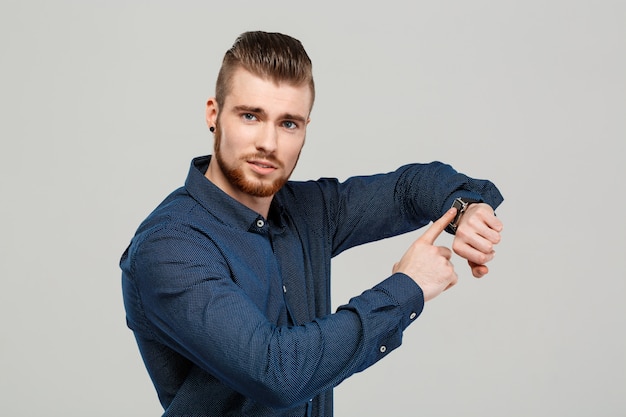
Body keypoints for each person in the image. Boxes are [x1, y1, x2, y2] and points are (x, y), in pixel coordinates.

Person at [120, 30, 504, 417]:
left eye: (288, 123)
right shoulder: (169, 246)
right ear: (213, 114)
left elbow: (408, 188)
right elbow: (276, 373)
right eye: (250, 116)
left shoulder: (309, 210)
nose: (268, 143)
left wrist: (468, 210)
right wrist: (408, 288)